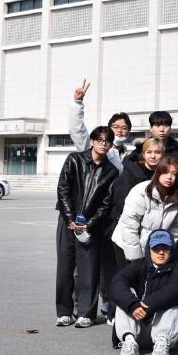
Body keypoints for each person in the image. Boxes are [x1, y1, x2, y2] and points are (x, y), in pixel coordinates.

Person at [54, 126, 119, 328]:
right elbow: (63, 189)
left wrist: (89, 224)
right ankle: (64, 312)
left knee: (89, 271)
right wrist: (70, 219)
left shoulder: (112, 171)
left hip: (92, 226)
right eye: (100, 140)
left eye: (107, 141)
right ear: (92, 141)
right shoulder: (74, 160)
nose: (103, 144)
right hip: (67, 223)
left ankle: (86, 314)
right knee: (65, 268)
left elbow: (106, 203)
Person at [102, 136, 164, 324]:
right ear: (143, 154)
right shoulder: (130, 173)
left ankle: (144, 314)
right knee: (126, 275)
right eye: (149, 152)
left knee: (148, 277)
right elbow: (120, 205)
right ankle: (115, 313)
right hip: (128, 234)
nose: (153, 156)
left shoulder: (165, 174)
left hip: (152, 236)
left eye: (157, 152)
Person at [110, 230, 178, 355]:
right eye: (156, 248)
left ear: (171, 250)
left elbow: (176, 289)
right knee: (125, 297)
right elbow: (117, 282)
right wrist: (133, 305)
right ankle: (129, 341)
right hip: (138, 330)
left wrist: (147, 306)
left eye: (165, 248)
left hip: (166, 335)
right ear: (149, 249)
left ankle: (162, 343)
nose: (161, 252)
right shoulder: (139, 265)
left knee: (171, 301)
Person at [112, 156, 178, 262]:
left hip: (155, 249)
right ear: (158, 173)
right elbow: (129, 226)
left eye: (174, 174)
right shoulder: (142, 191)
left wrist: (166, 253)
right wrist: (136, 259)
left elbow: (175, 230)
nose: (169, 177)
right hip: (127, 245)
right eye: (165, 172)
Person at [68, 78, 132, 173]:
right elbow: (77, 130)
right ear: (109, 129)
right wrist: (77, 103)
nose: (119, 131)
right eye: (115, 127)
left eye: (124, 128)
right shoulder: (96, 147)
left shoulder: (129, 156)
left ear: (129, 131)